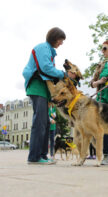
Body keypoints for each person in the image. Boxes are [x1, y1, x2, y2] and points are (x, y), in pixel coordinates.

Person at [23, 27, 69, 165]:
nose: (61, 43)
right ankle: (34, 157)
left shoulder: (49, 50)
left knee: (45, 123)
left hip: (43, 90)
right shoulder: (43, 47)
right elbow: (45, 68)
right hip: (37, 88)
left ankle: (42, 155)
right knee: (40, 123)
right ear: (55, 38)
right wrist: (62, 74)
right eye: (61, 40)